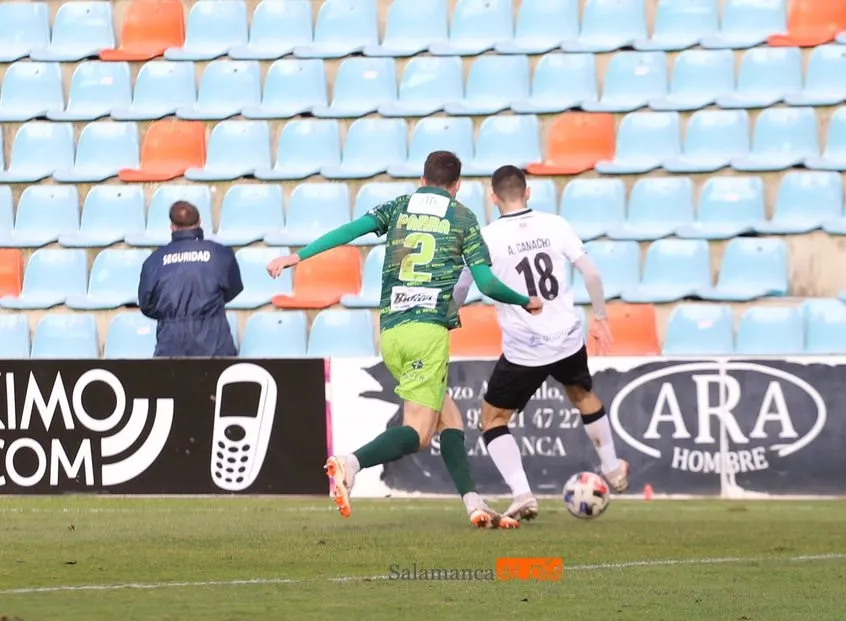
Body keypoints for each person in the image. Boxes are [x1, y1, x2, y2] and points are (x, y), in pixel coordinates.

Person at [266, 151, 542, 529]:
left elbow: (351, 231)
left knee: (451, 422)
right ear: (457, 186)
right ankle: (351, 463)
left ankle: (473, 503)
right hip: (427, 332)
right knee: (418, 433)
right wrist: (525, 300)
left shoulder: (398, 206)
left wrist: (298, 256)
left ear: (423, 179)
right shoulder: (462, 217)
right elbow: (487, 283)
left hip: (392, 331)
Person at [452, 165, 630, 522]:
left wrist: (446, 319)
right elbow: (592, 273)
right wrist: (600, 317)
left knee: (492, 419)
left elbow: (460, 288)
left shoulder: (485, 237)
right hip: (566, 337)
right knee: (581, 393)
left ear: (493, 198)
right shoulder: (555, 224)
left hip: (525, 348)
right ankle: (612, 469)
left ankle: (523, 495)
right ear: (528, 192)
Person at [138, 200, 243, 357]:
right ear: (200, 222)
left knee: (173, 382)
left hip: (171, 343)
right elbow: (233, 288)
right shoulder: (220, 253)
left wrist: (173, 317)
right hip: (214, 341)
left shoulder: (155, 260)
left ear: (172, 227)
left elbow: (146, 304)